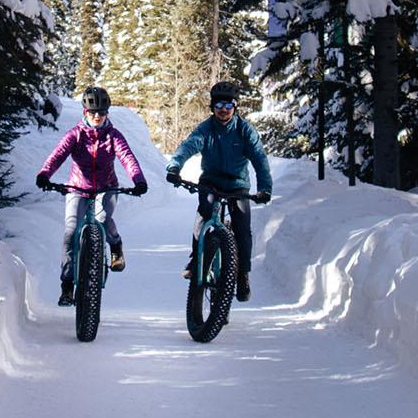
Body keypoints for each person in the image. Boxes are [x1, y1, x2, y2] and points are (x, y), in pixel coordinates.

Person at [36, 85, 147, 306]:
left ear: (107, 113)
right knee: (70, 232)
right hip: (77, 188)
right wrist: (44, 174)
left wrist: (138, 180)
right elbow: (58, 155)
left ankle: (115, 246)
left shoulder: (113, 136)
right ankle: (67, 286)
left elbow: (127, 158)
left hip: (106, 188)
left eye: (102, 113)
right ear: (85, 112)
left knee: (104, 218)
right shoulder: (75, 135)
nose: (97, 116)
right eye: (92, 112)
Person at [165, 81, 272, 303]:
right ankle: (196, 261)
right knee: (204, 215)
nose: (223, 109)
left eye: (228, 104)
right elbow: (188, 146)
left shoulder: (244, 131)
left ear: (235, 107)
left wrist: (264, 188)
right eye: (218, 105)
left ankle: (242, 274)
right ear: (212, 107)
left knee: (242, 227)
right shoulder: (206, 128)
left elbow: (260, 159)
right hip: (211, 182)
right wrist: (175, 166)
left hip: (237, 185)